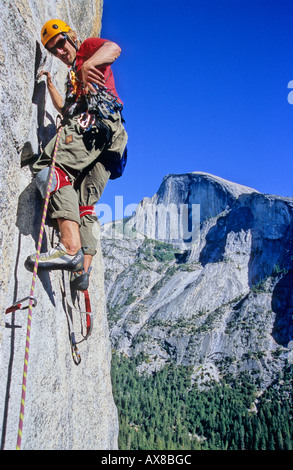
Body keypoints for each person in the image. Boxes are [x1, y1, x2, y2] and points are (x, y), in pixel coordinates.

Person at [25, 19, 128, 290]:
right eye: (52, 49)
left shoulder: (88, 51)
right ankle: (83, 271)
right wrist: (49, 83)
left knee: (52, 168)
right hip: (112, 141)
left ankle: (70, 248)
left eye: (60, 43)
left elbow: (113, 48)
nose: (59, 51)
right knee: (84, 203)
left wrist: (88, 64)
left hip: (96, 122)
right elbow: (66, 109)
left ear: (71, 36)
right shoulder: (74, 81)